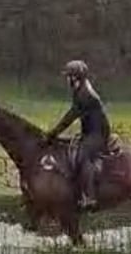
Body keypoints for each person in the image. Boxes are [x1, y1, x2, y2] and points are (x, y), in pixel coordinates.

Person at [46, 60, 111, 210]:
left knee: (82, 155)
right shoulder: (80, 90)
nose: (66, 79)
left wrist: (52, 133)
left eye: (68, 76)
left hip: (98, 134)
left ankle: (90, 197)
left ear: (75, 77)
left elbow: (70, 116)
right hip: (90, 132)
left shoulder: (84, 94)